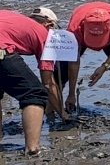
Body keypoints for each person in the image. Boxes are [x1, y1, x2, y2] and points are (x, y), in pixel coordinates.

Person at [0, 9, 65, 154]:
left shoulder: (14, 17)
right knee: (34, 94)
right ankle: (33, 149)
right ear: (49, 24)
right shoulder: (44, 35)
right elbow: (48, 83)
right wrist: (62, 113)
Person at [63, 2, 110, 113]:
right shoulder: (75, 28)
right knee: (63, 66)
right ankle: (56, 104)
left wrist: (104, 67)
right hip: (81, 35)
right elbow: (73, 61)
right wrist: (72, 94)